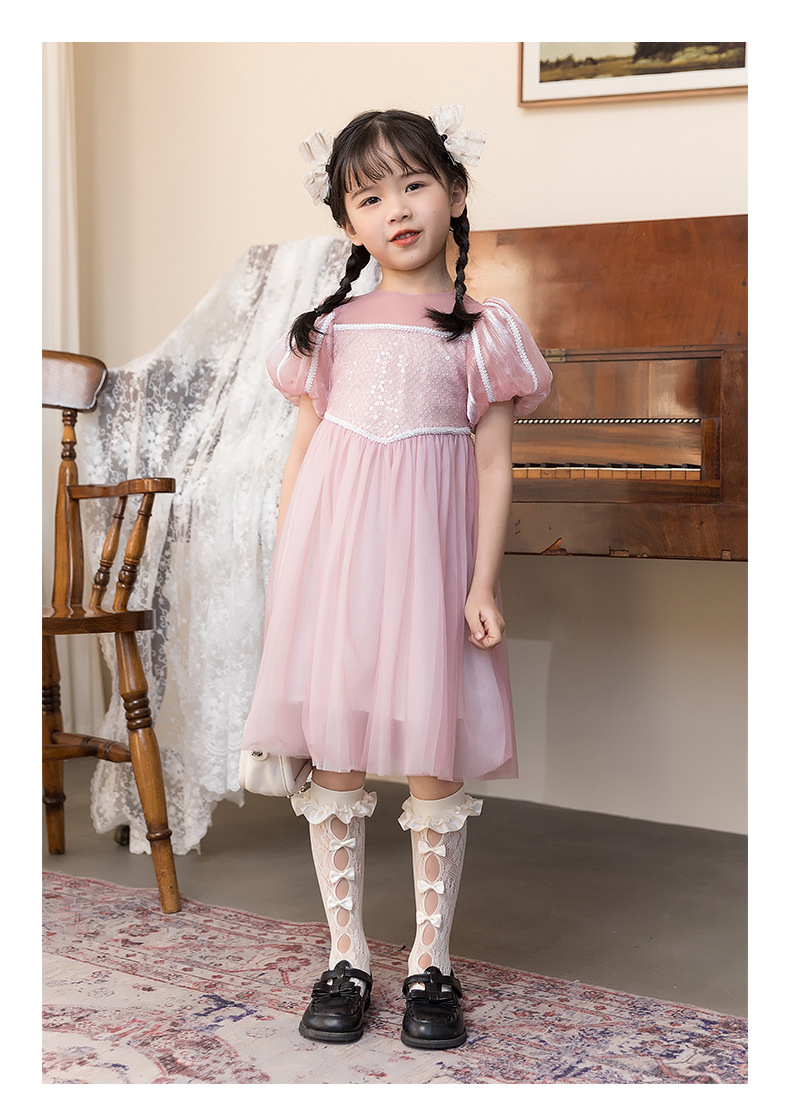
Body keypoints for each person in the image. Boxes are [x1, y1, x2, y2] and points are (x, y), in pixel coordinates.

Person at [242, 105, 552, 1048]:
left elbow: (493, 464)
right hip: (335, 565)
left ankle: (430, 959)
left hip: (432, 567)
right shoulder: (329, 329)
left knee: (431, 749)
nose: (397, 209)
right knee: (334, 750)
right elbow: (303, 456)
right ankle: (345, 953)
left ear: (454, 193)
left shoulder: (480, 329)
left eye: (415, 184)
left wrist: (482, 584)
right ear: (347, 220)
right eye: (370, 196)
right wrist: (290, 567)